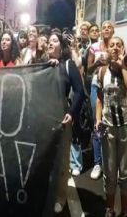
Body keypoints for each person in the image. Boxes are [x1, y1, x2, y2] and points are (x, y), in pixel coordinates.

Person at [46, 32, 85, 214]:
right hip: (44, 119)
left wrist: (71, 113)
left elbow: (79, 92)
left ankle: (60, 197)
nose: (49, 44)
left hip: (62, 119)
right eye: (48, 41)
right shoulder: (42, 64)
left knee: (62, 161)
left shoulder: (68, 65)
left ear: (61, 47)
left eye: (54, 41)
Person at [95, 36, 127, 217]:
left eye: (118, 45)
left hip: (125, 126)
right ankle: (109, 209)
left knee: (125, 171)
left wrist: (122, 66)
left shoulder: (126, 68)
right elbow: (100, 98)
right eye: (112, 45)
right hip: (108, 126)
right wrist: (97, 119)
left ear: (123, 48)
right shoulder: (102, 72)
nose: (114, 48)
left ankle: (124, 210)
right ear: (107, 49)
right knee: (109, 171)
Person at [87, 20, 115, 180]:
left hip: (112, 87)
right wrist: (98, 62)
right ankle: (97, 163)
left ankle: (110, 162)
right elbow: (88, 68)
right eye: (103, 27)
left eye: (109, 27)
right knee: (97, 123)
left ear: (113, 31)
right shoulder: (94, 47)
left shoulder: (116, 46)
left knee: (111, 123)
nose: (106, 30)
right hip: (96, 86)